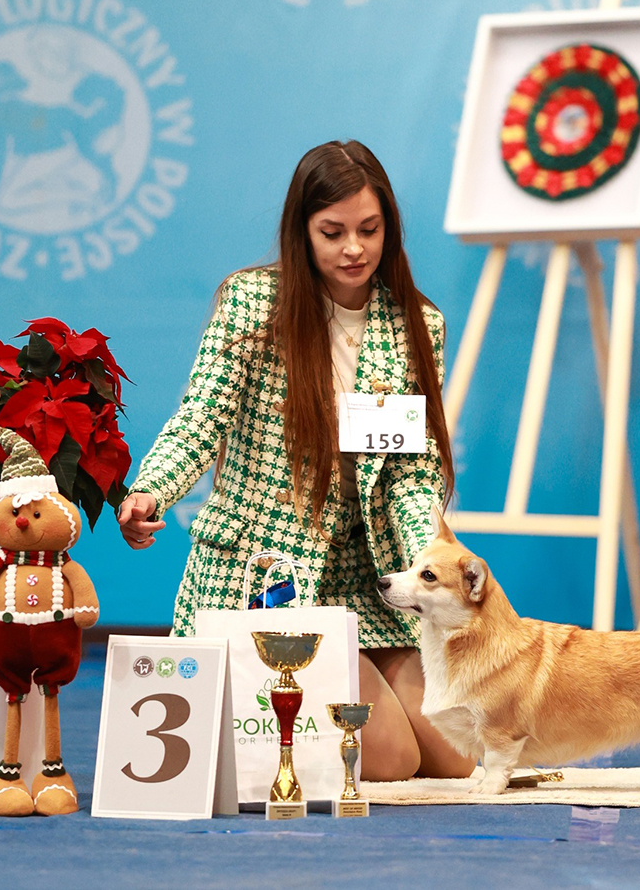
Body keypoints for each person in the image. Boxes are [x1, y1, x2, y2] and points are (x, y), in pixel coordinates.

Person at [116, 140, 476, 782]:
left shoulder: (418, 323)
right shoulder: (254, 305)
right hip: (269, 578)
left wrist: (430, 558)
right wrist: (150, 491)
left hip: (368, 581)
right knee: (390, 758)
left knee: (459, 755)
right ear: (301, 231)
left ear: (389, 228)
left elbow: (411, 473)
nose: (353, 249)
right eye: (331, 232)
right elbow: (202, 418)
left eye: (369, 230)